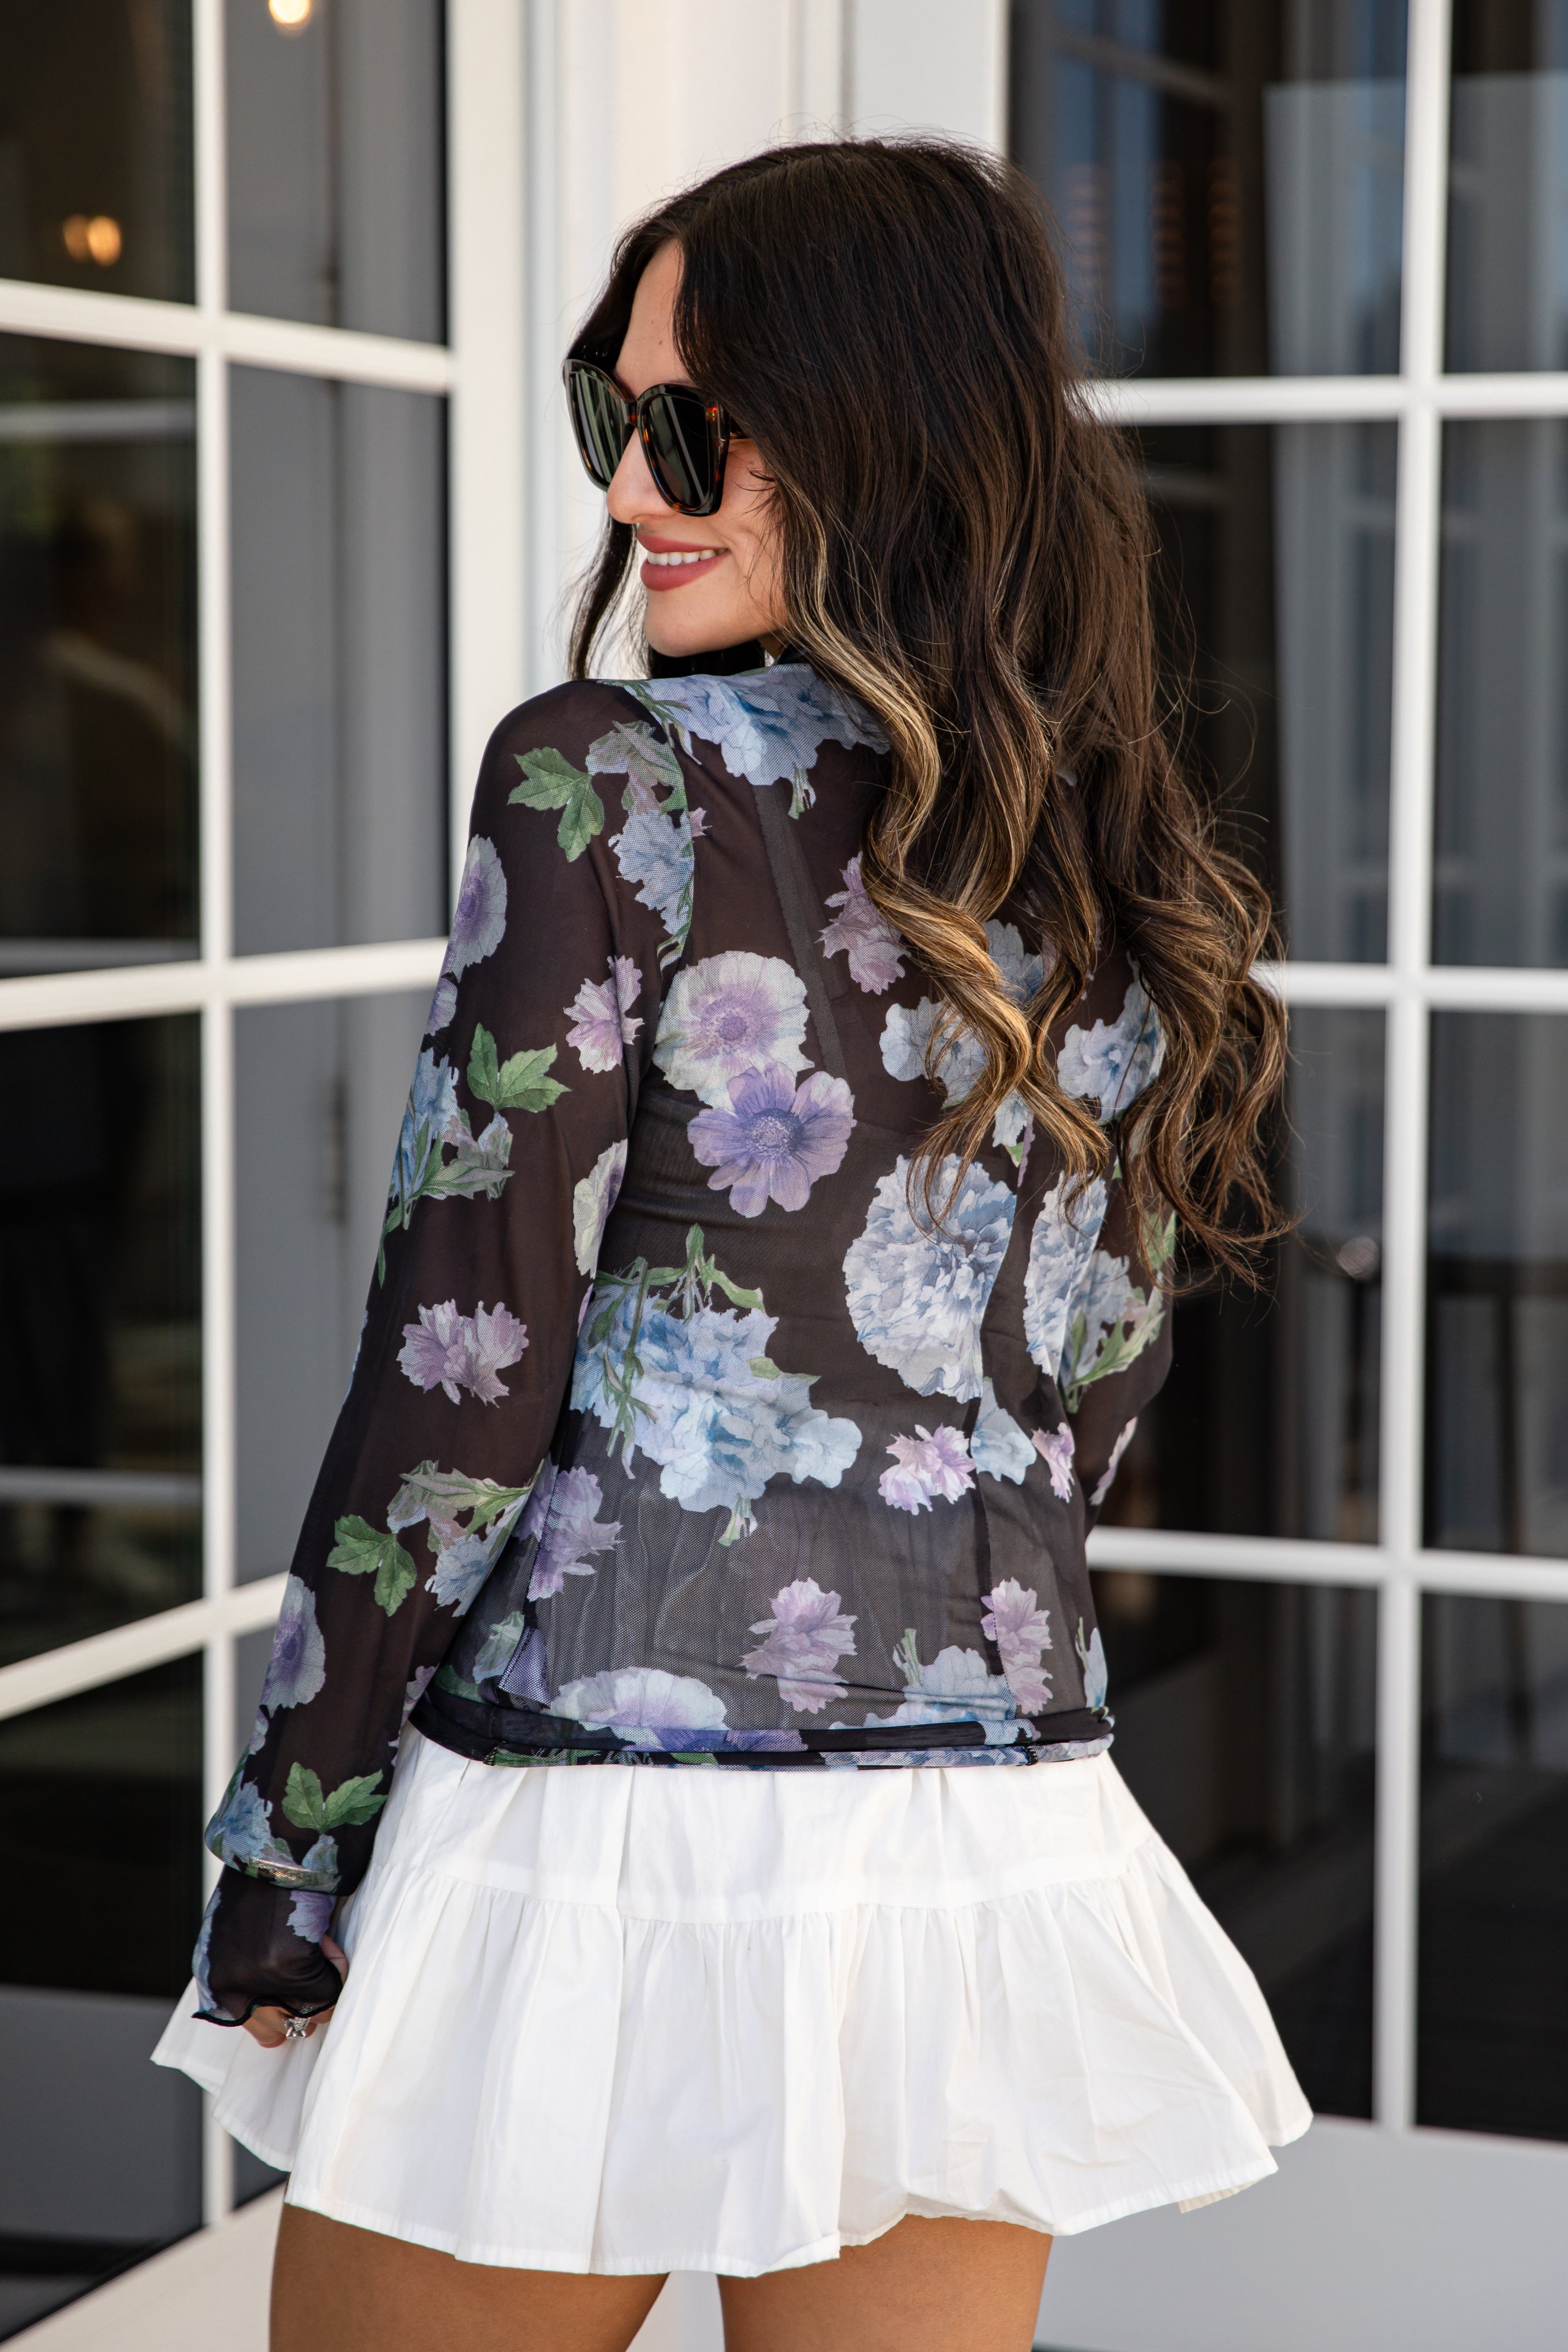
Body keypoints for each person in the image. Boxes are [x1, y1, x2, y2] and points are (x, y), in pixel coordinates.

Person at [156, 138, 1306, 2352]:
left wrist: (292, 1835)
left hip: (597, 1826)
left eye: (690, 424)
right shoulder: (1108, 851)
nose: (630, 487)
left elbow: (463, 1361)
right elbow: (1089, 1392)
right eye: (617, 413)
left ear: (873, 422)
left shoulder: (604, 779)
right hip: (973, 1844)